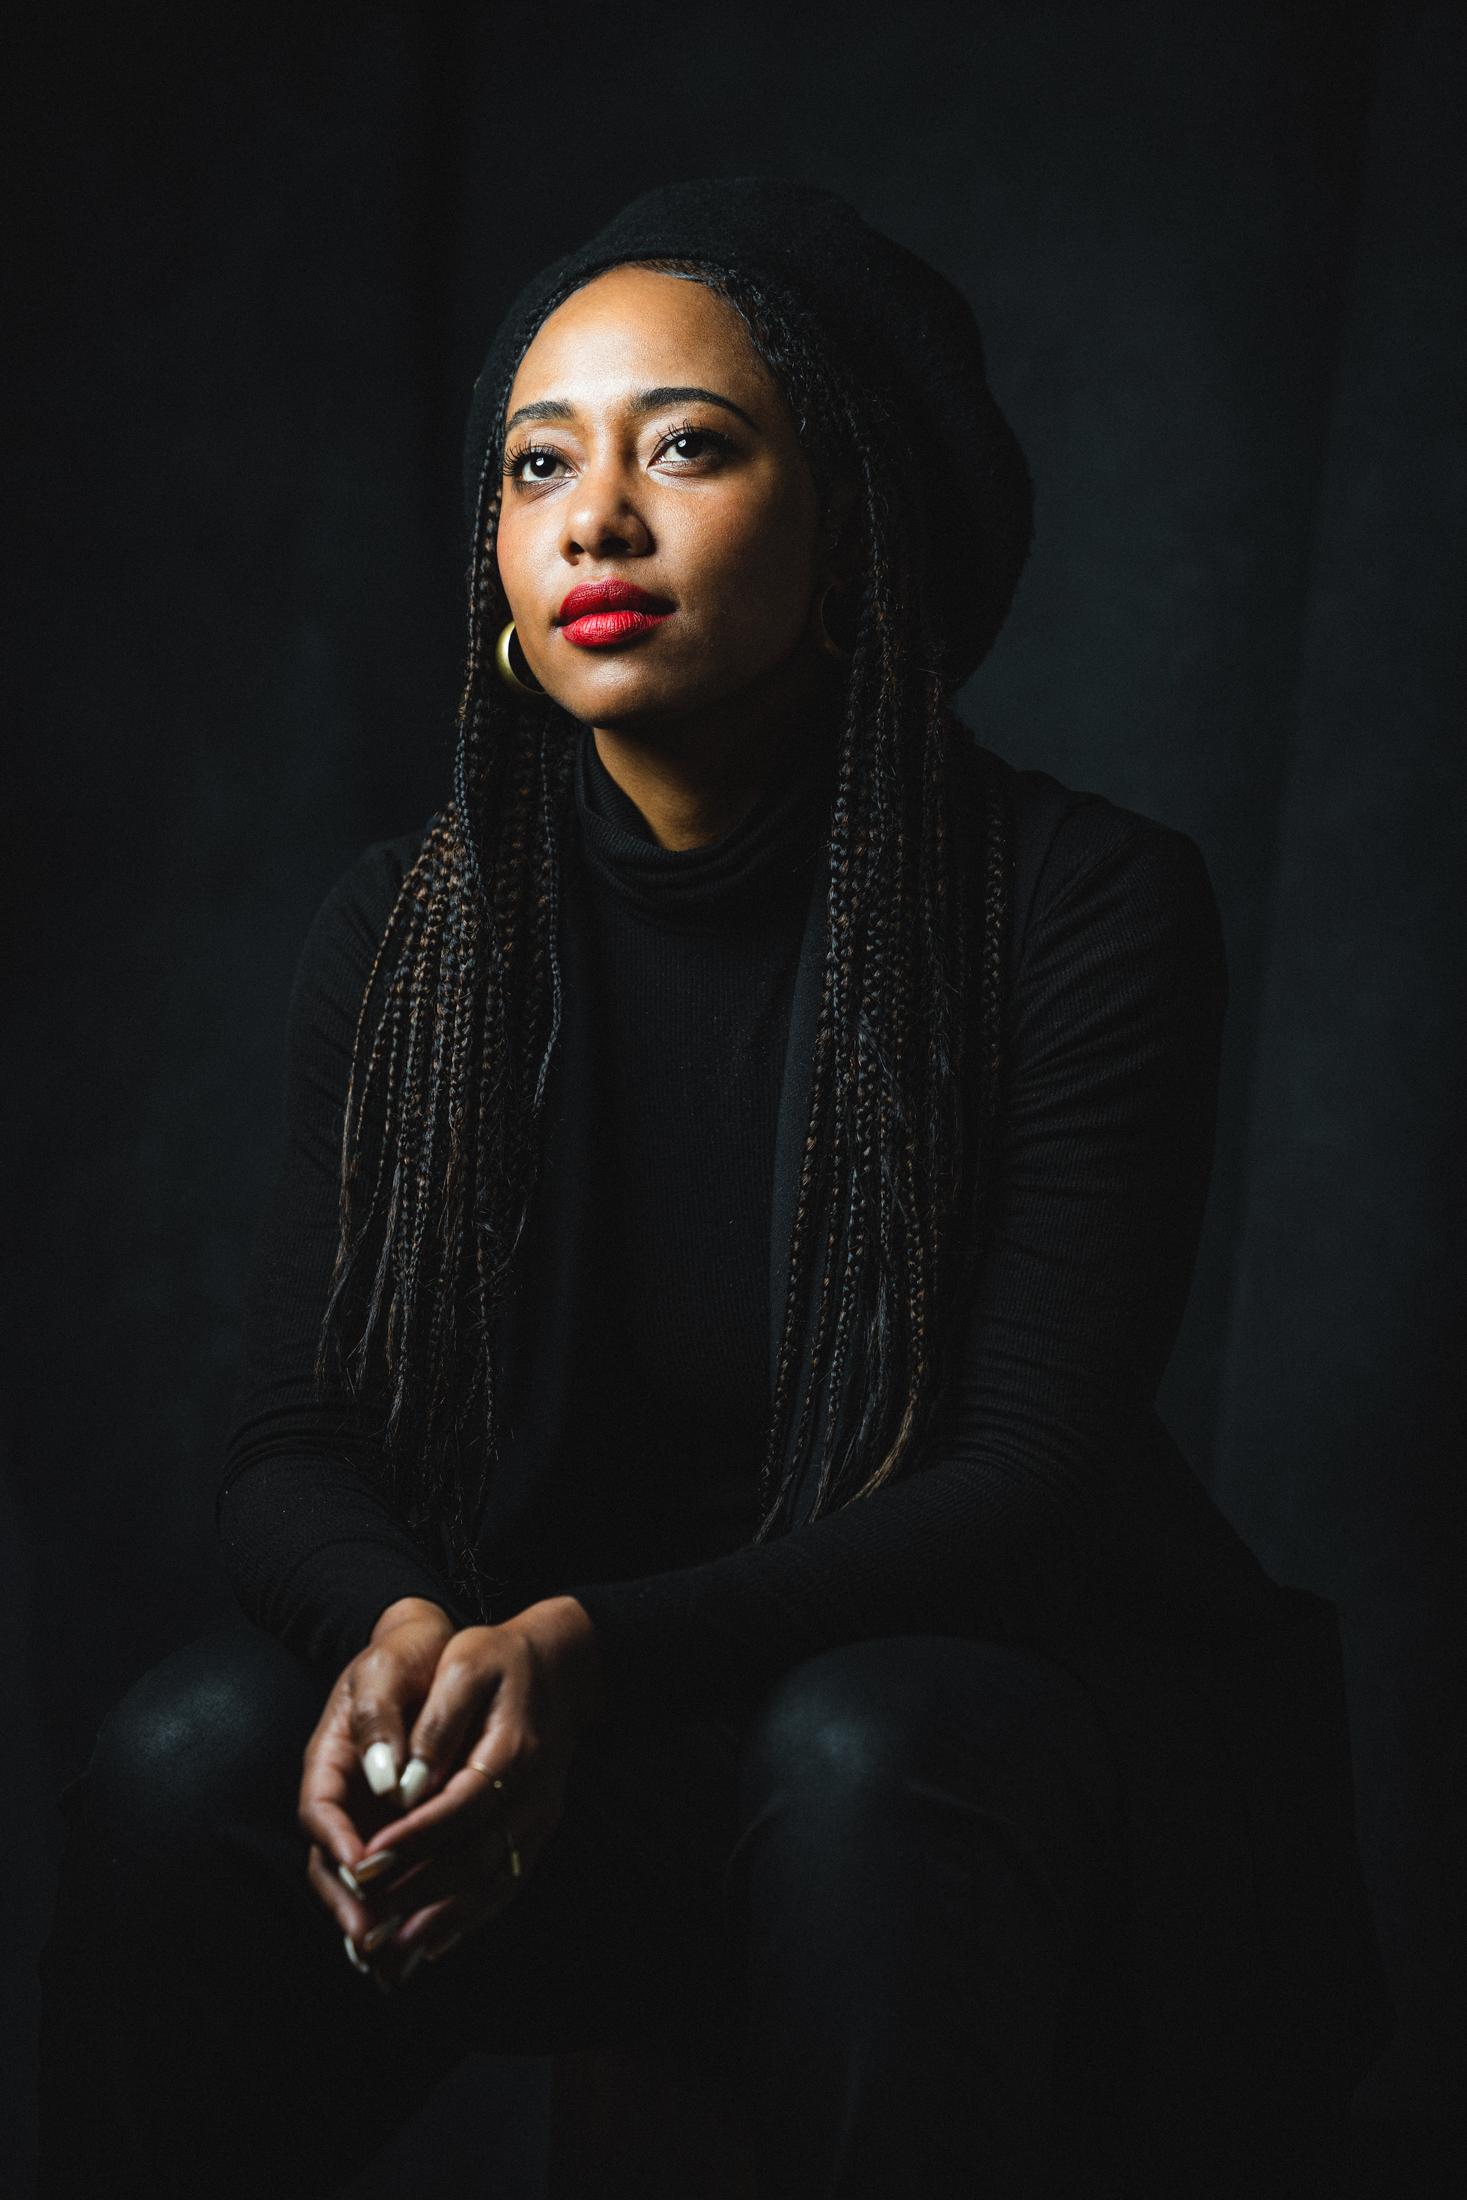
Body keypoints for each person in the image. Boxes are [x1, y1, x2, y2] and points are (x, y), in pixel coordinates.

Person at [34, 176, 1394, 2200]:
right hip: (572, 1745)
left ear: (851, 516)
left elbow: (1009, 1477)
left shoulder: (1081, 908)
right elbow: (291, 1436)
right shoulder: (407, 938)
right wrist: (408, 1632)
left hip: (962, 1734)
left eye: (685, 442)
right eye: (534, 461)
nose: (594, 515)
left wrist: (582, 1642)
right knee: (189, 1756)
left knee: (854, 1748)